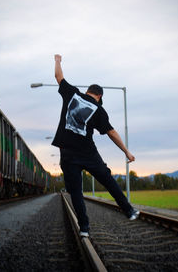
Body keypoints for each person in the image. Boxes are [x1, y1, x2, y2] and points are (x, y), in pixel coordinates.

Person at [52, 54, 140, 238]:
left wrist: (58, 61)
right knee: (108, 181)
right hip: (88, 154)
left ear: (87, 91)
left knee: (76, 191)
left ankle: (84, 228)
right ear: (99, 96)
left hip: (67, 154)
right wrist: (126, 151)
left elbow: (58, 77)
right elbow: (111, 133)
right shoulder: (99, 110)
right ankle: (129, 211)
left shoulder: (73, 93)